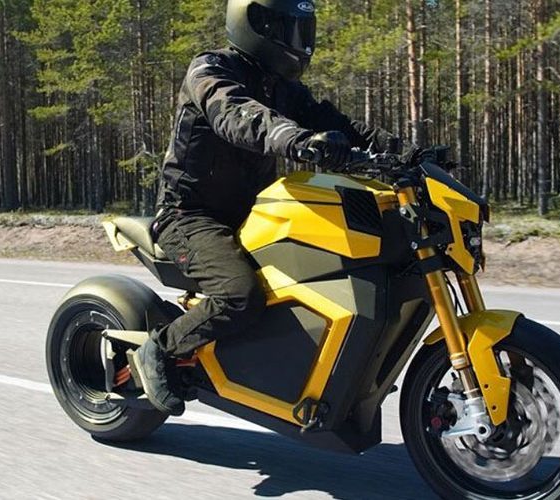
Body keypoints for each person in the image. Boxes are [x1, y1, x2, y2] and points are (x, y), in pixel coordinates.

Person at [132, 0, 400, 415]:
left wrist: (403, 152)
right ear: (256, 24)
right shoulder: (210, 70)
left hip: (253, 213)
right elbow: (237, 115)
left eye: (304, 31)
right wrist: (296, 139)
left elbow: (340, 125)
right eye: (291, 30)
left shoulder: (283, 89)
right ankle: (160, 349)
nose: (300, 42)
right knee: (238, 294)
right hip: (190, 215)